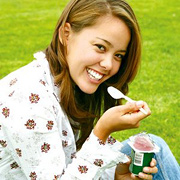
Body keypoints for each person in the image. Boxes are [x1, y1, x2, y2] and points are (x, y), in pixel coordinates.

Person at [0, 0, 179, 179]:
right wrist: (101, 132)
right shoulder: (28, 99)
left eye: (118, 55)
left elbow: (74, 159)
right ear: (66, 34)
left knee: (154, 146)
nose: (109, 64)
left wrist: (117, 176)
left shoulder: (67, 83)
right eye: (100, 47)